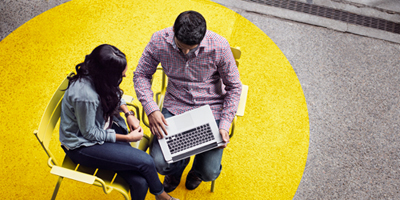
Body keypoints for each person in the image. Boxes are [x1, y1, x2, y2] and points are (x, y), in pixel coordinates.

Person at [133, 11, 242, 192]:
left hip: (212, 107)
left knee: (210, 172)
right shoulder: (159, 40)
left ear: (203, 36)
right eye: (181, 47)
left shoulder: (220, 46)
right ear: (174, 30)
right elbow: (141, 75)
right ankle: (176, 170)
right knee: (160, 164)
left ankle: (197, 172)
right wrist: (151, 109)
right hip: (176, 104)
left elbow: (235, 87)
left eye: (191, 49)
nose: (186, 52)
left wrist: (224, 124)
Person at [59, 44, 178, 200]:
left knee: (140, 183)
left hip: (104, 127)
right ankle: (162, 196)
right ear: (108, 75)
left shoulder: (95, 72)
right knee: (147, 161)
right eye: (121, 75)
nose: (125, 76)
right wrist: (127, 138)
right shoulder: (85, 96)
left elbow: (112, 90)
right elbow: (90, 133)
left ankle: (159, 195)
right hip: (83, 146)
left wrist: (128, 113)